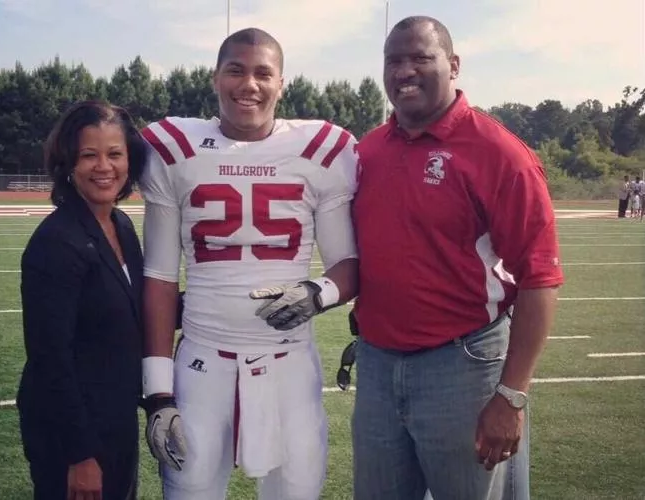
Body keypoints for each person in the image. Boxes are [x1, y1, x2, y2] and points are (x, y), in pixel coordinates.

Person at [138, 27, 359, 500]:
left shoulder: (322, 149)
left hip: (290, 364)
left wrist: (317, 293)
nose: (249, 85)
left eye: (263, 73)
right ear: (215, 78)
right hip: (201, 361)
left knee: (297, 491)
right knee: (189, 488)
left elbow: (348, 263)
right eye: (235, 71)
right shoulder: (173, 148)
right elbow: (158, 277)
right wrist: (158, 393)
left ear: (282, 84)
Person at [351, 16, 564, 500]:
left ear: (453, 65)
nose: (404, 71)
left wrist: (511, 394)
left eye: (420, 58)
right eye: (393, 60)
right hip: (378, 363)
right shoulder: (368, 150)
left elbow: (540, 278)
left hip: (462, 366)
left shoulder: (499, 153)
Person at [17, 100, 147, 500]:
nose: (104, 166)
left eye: (115, 154)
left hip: (116, 417)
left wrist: (213, 300)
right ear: (68, 162)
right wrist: (80, 455)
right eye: (89, 155)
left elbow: (134, 311)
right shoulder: (56, 242)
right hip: (72, 436)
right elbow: (50, 359)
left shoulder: (121, 225)